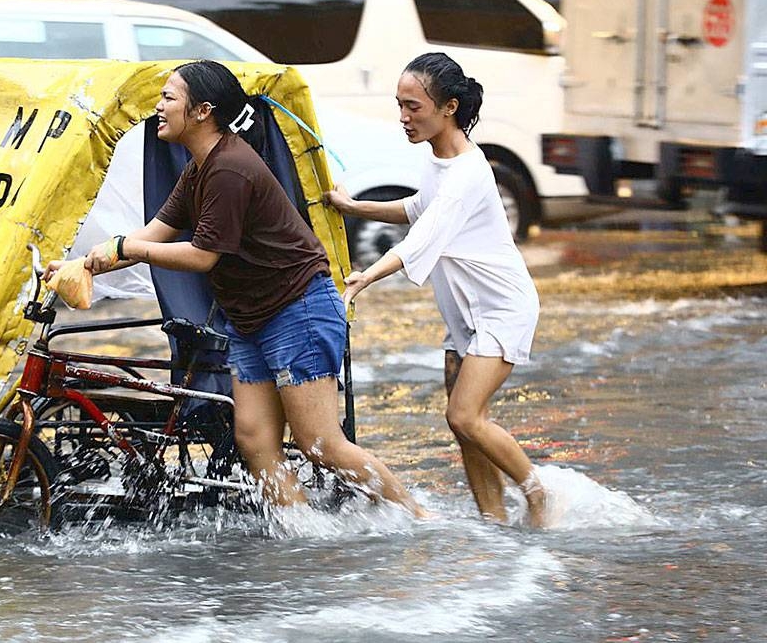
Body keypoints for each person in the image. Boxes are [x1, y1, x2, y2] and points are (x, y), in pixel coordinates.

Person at [48, 60, 426, 517]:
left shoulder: (230, 168)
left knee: (320, 444)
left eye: (169, 98)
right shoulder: (199, 168)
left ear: (203, 110)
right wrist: (82, 265)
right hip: (251, 320)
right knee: (255, 440)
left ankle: (420, 518)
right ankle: (304, 535)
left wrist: (130, 249)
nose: (159, 107)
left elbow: (203, 255)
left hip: (299, 309)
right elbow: (152, 234)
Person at [325, 52, 548, 527]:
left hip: (502, 307)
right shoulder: (437, 161)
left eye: (414, 107)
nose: (403, 118)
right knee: (467, 428)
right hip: (464, 313)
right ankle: (494, 520)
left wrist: (366, 276)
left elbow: (423, 236)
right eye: (399, 105)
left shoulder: (468, 172)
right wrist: (351, 207)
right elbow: (415, 209)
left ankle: (539, 496)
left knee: (465, 417)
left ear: (449, 107)